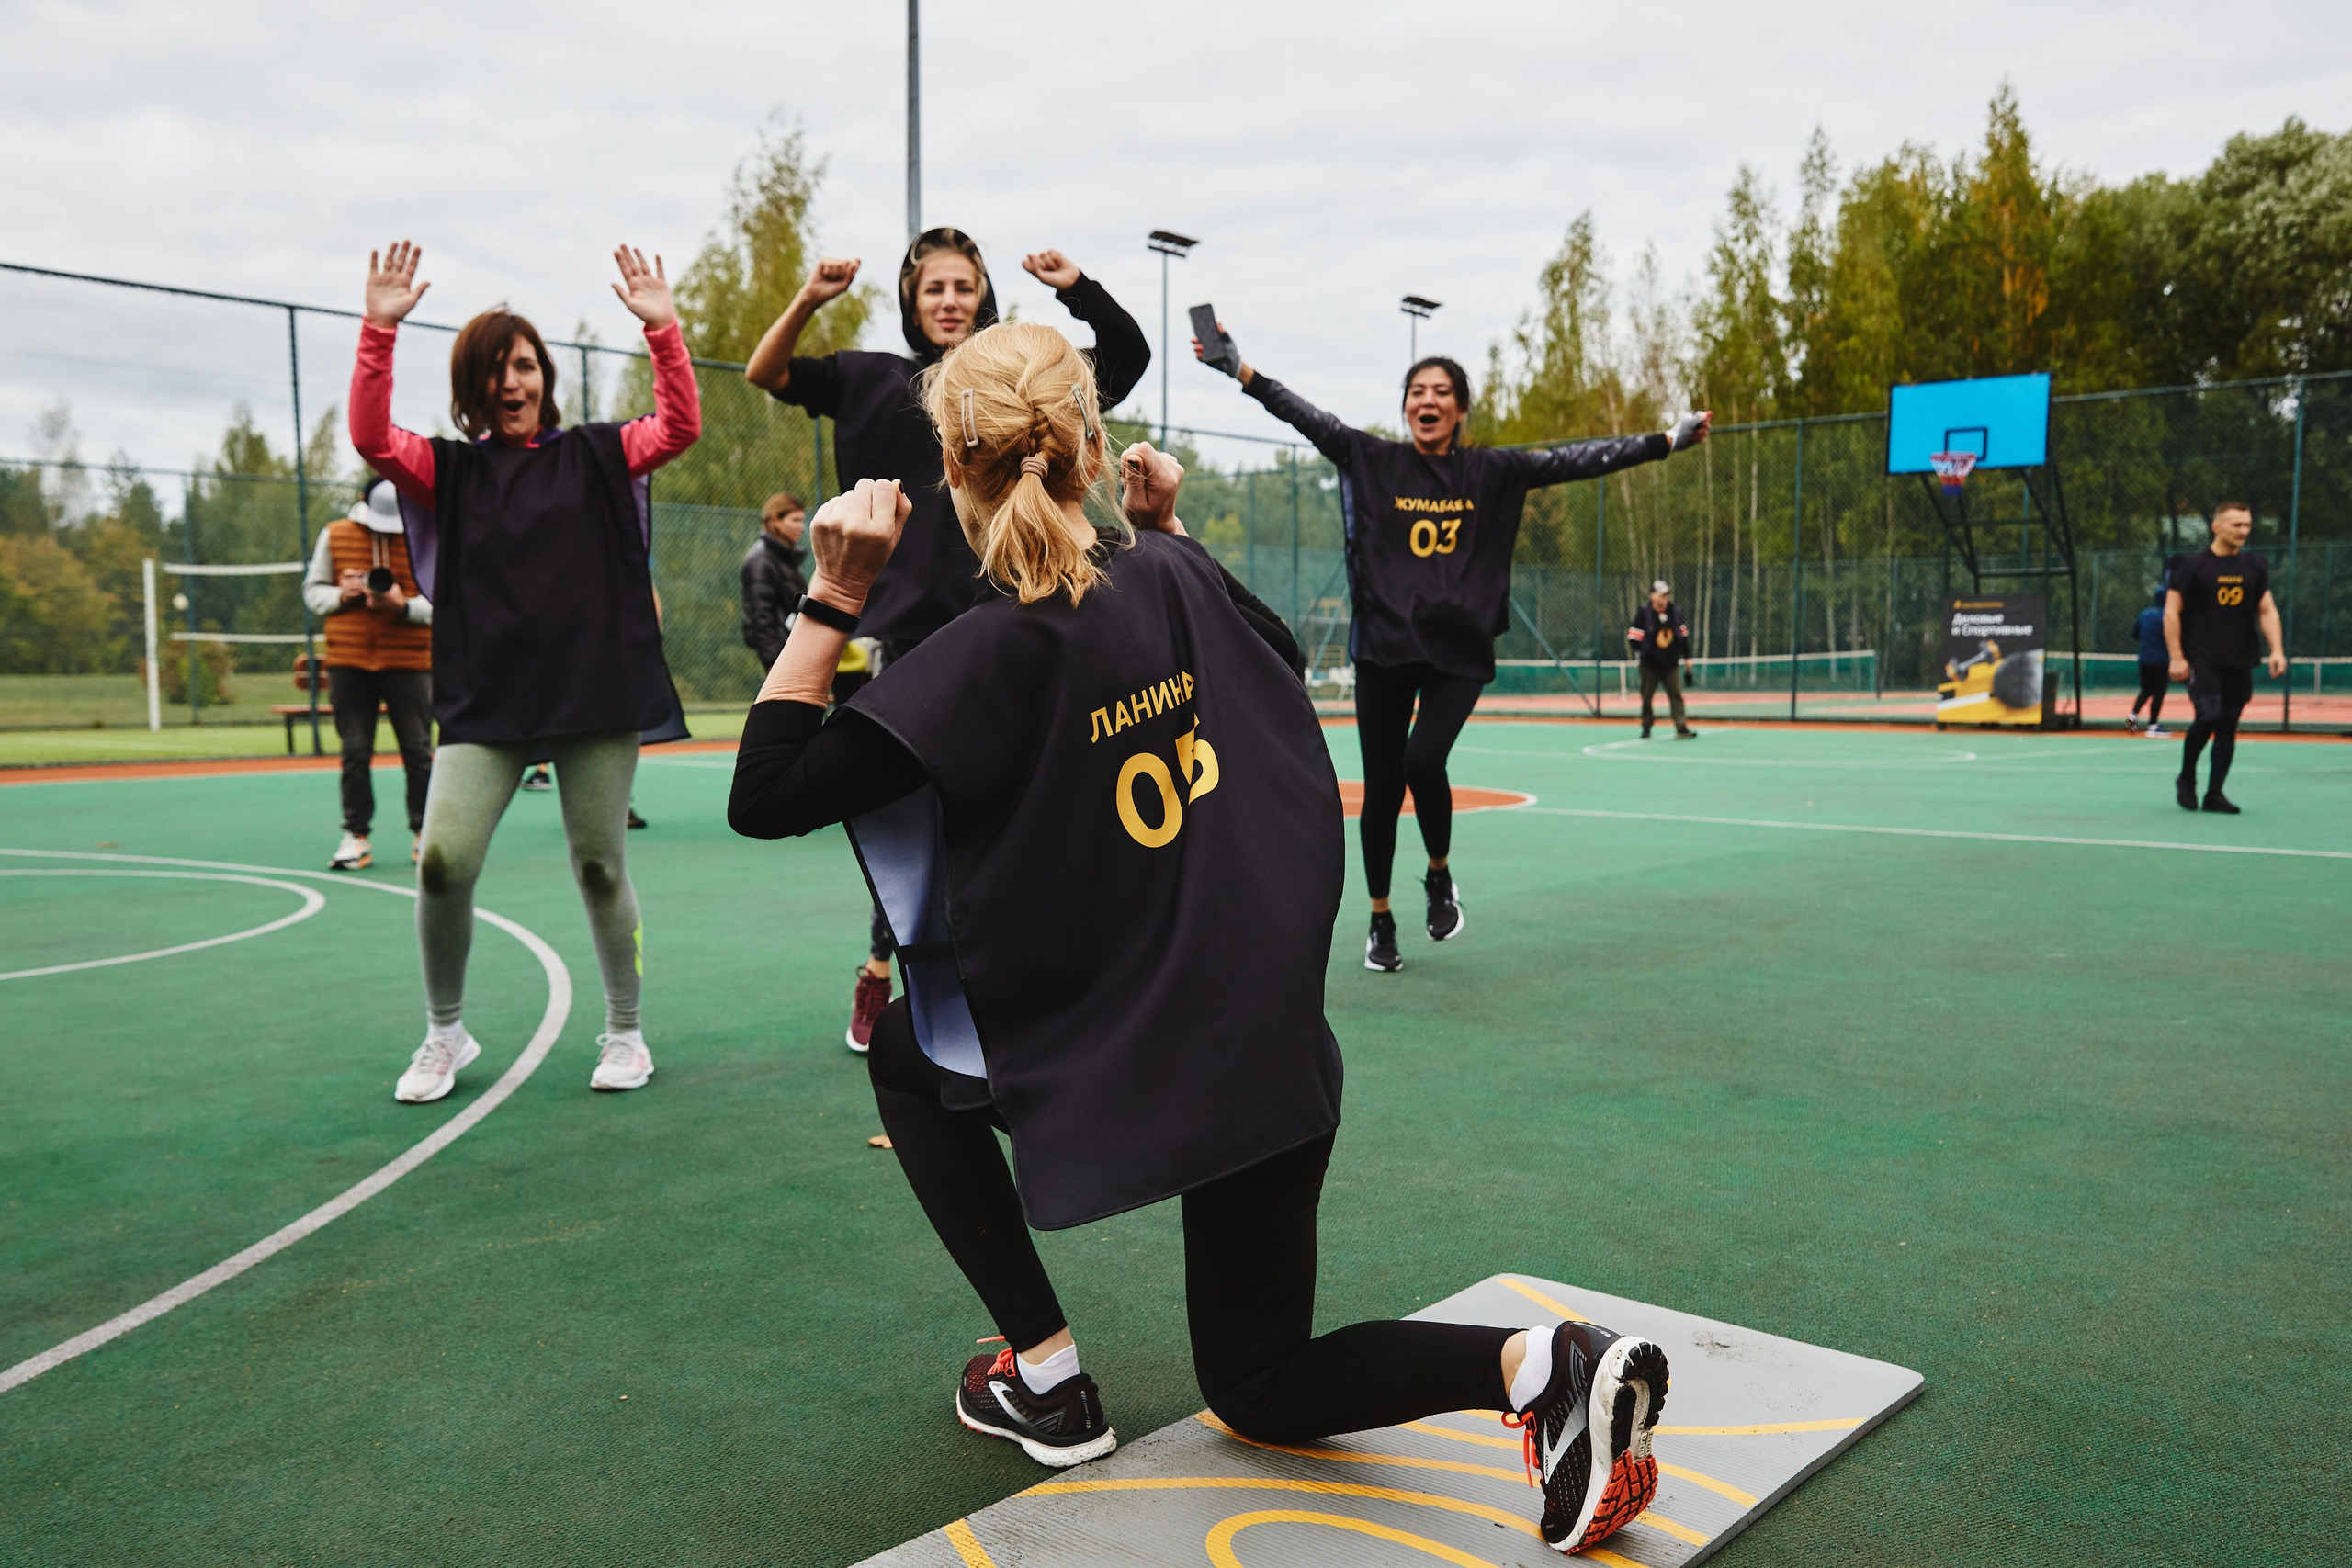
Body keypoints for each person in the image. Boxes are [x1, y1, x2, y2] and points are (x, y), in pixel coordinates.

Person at [727, 321, 1668, 1558]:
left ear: (953, 473)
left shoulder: (971, 661)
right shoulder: (1176, 572)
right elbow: (1262, 655)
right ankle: (1542, 1363)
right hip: (1265, 1050)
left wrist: (834, 591)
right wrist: (1162, 532)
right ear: (1094, 451)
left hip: (1113, 1062)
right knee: (1258, 1381)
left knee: (908, 1051)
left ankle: (1044, 1374)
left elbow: (766, 790)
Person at [743, 228, 1149, 1050]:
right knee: (906, 825)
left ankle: (1006, 974)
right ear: (910, 301)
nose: (951, 300)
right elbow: (766, 372)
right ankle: (886, 967)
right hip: (902, 644)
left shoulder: (1010, 386)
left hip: (1008, 620)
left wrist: (1078, 285)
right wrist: (810, 298)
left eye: (964, 286)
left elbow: (1126, 358)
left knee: (1014, 814)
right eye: (934, 287)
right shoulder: (869, 379)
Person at [1197, 326, 1708, 971]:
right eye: (1417, 391)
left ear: (1461, 409)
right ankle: (1380, 918)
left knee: (1423, 760)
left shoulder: (1490, 471)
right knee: (1381, 791)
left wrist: (1666, 441)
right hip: (1384, 648)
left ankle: (1438, 875)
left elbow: (1581, 458)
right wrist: (1240, 369)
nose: (1427, 400)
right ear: (1405, 406)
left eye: (1441, 391)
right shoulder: (1375, 459)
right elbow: (1306, 416)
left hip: (1458, 654)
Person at [348, 239, 700, 1101]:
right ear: (472, 388)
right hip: (488, 697)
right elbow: (371, 437)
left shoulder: (598, 452)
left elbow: (679, 426)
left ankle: (626, 1032)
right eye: (495, 370)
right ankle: (445, 1032)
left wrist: (664, 331)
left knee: (600, 865)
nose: (512, 383)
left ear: (544, 376)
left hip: (595, 690)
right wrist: (378, 332)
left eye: (525, 366)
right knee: (442, 861)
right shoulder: (450, 469)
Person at [301, 478, 435, 870]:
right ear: (363, 502)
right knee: (355, 752)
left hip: (409, 661)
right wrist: (342, 595)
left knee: (418, 751)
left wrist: (402, 605)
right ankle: (356, 835)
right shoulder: (335, 534)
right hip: (350, 660)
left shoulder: (425, 535)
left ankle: (426, 833)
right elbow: (313, 591)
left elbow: (441, 601)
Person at [2165, 501, 2285, 813]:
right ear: (2216, 527)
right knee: (2207, 715)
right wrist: (2176, 656)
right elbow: (2172, 612)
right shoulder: (2190, 565)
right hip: (2201, 658)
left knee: (2228, 725)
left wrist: (2277, 649)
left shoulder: (2254, 567)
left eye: (2247, 525)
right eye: (2236, 525)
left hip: (2239, 658)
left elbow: (2267, 610)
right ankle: (2186, 777)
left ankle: (2214, 794)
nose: (2243, 531)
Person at [741, 491, 808, 672]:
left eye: (802, 520)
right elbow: (761, 617)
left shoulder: (784, 559)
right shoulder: (762, 560)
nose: (801, 527)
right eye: (795, 520)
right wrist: (772, 662)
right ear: (775, 520)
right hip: (780, 656)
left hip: (794, 649)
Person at [1627, 579, 1697, 740]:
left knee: (1676, 693)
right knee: (1647, 697)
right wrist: (1647, 651)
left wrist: (1687, 657)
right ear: (1652, 596)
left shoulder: (1675, 613)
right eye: (1661, 595)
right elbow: (1633, 638)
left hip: (1670, 663)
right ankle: (1646, 727)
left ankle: (1681, 726)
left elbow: (1683, 637)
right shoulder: (1644, 613)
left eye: (1666, 595)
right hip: (1650, 665)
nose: (1664, 598)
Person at [2128, 581, 2172, 737]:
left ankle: (2133, 714)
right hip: (2161, 661)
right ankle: (2153, 725)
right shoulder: (2168, 615)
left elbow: (2135, 635)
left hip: (2144, 659)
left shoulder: (2144, 614)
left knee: (2146, 690)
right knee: (2159, 692)